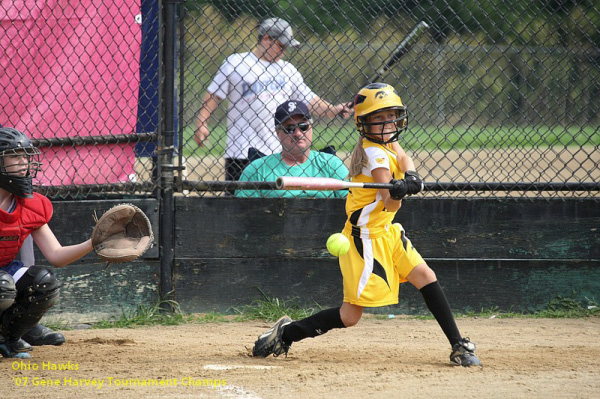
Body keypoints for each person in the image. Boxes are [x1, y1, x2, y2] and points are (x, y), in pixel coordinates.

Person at [251, 83, 482, 367]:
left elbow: (402, 155)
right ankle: (286, 333)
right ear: (365, 123)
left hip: (387, 232)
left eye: (391, 117)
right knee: (350, 316)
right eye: (379, 119)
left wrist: (410, 175)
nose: (387, 124)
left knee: (425, 275)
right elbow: (389, 203)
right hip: (365, 240)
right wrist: (398, 192)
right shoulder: (374, 155)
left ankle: (458, 344)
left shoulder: (387, 142)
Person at [194, 17, 351, 187]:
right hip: (240, 151)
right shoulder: (236, 63)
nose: (283, 52)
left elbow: (310, 101)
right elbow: (214, 95)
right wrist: (202, 122)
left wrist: (334, 109)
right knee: (237, 202)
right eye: (281, 46)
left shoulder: (288, 69)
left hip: (278, 153)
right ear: (266, 38)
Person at [0, 127, 94, 359]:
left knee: (43, 283)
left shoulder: (31, 204)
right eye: (15, 156)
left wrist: (95, 242)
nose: (24, 162)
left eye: (26, 156)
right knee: (2, 285)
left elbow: (56, 255)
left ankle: (10, 338)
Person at [236, 100, 348, 198]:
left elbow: (352, 203)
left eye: (303, 126)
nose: (298, 133)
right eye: (290, 128)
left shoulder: (331, 164)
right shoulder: (257, 169)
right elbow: (242, 214)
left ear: (311, 128)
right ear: (278, 133)